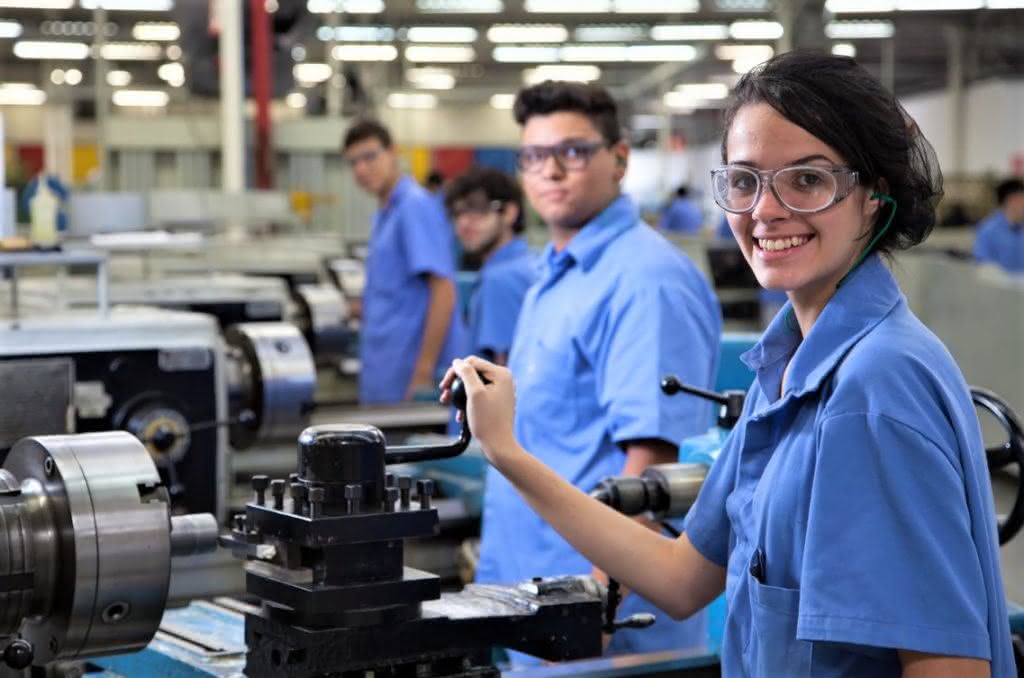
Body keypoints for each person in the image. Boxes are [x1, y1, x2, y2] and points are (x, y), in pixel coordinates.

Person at [442, 52, 1013, 677]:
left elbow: (948, 668)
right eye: (745, 181)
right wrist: (509, 455)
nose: (764, 210)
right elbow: (683, 575)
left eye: (806, 179)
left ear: (875, 195)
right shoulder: (787, 371)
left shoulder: (876, 383)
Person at [470, 80, 723, 661]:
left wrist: (594, 613)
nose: (550, 171)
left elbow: (654, 470)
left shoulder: (645, 281)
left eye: (573, 151)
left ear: (620, 158)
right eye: (534, 156)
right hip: (531, 600)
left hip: (596, 626)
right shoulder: (556, 272)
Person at [342, 120, 464, 403]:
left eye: (370, 157)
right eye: (353, 162)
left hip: (407, 372)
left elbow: (443, 290)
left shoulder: (413, 206)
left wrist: (423, 371)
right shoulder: (387, 213)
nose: (361, 169)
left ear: (392, 153)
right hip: (386, 368)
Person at [444, 166, 536, 365]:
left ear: (509, 213)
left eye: (477, 209)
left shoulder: (500, 280)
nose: (464, 222)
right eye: (457, 213)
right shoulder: (529, 264)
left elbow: (502, 375)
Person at [973, 178, 1024, 274]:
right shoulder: (988, 231)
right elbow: (983, 268)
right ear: (1012, 200)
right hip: (998, 287)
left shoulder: (1021, 229)